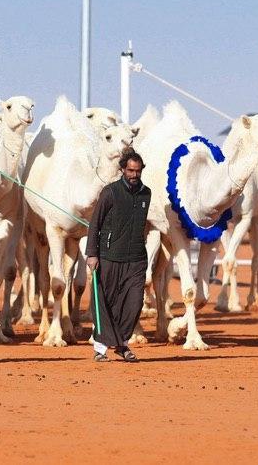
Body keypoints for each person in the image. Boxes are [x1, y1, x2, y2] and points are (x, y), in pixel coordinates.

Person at [85, 149, 151, 362]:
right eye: (130, 171)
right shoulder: (110, 192)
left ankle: (122, 342)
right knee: (106, 302)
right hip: (109, 256)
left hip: (136, 259)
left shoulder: (146, 194)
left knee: (134, 303)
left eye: (137, 171)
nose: (134, 175)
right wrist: (92, 254)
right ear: (122, 169)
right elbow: (95, 223)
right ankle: (100, 348)